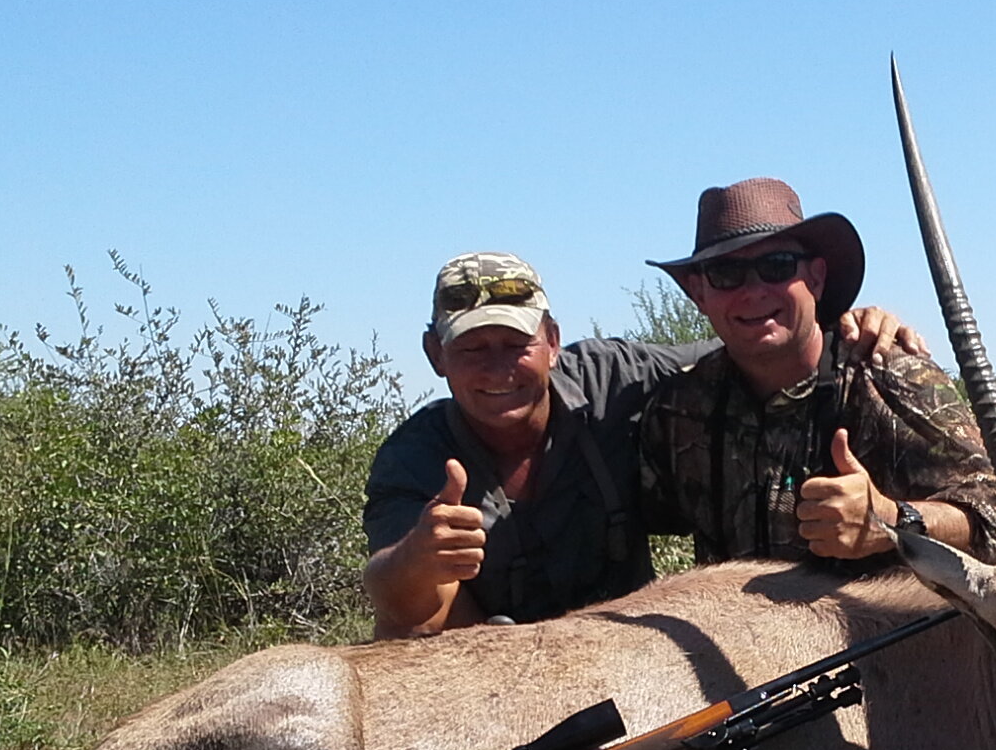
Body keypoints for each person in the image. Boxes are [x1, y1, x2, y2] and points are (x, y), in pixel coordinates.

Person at [361, 252, 930, 636]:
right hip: (488, 682)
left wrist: (847, 325)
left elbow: (751, 343)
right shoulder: (414, 456)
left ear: (552, 342)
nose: (498, 368)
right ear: (435, 355)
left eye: (515, 344)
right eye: (471, 349)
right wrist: (415, 560)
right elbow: (396, 599)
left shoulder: (616, 377)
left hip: (628, 665)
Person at [638, 178, 996, 565]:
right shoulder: (677, 410)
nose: (753, 291)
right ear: (699, 294)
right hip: (729, 623)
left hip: (880, 623)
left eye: (776, 266)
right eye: (726, 273)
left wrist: (893, 520)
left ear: (815, 278)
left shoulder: (888, 377)